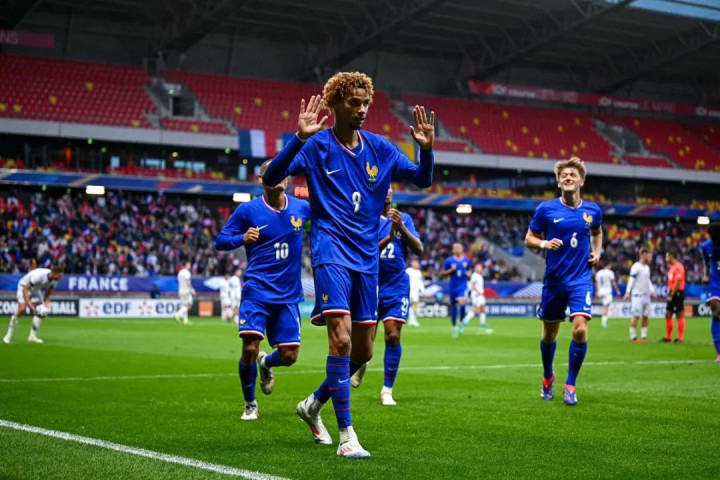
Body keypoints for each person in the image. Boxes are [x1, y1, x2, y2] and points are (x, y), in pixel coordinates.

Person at [262, 72, 434, 458]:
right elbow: (272, 176)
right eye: (354, 103)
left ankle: (312, 405)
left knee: (363, 353)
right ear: (335, 104)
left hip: (366, 258)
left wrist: (426, 150)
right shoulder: (317, 146)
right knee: (340, 340)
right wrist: (298, 138)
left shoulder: (381, 148)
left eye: (365, 103)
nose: (361, 109)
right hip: (331, 251)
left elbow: (423, 179)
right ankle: (347, 436)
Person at [215, 160, 310, 421]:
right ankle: (250, 404)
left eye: (282, 173)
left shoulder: (302, 208)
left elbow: (322, 227)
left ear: (287, 179)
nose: (279, 176)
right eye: (272, 173)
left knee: (289, 356)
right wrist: (241, 238)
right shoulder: (248, 210)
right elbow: (220, 240)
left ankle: (267, 363)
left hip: (288, 295)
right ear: (261, 180)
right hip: (257, 290)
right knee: (249, 348)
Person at [524, 156, 603, 406]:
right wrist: (544, 243)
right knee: (549, 334)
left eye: (573, 175)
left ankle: (570, 384)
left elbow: (597, 232)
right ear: (559, 182)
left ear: (581, 181)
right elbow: (529, 238)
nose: (568, 178)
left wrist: (597, 252)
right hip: (555, 280)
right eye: (564, 175)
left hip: (581, 278)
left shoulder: (593, 211)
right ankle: (548, 376)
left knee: (579, 329)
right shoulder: (546, 209)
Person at [350, 186, 423, 406]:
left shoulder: (403, 218)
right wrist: (390, 237)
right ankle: (362, 362)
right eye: (384, 187)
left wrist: (402, 228)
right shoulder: (366, 219)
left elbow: (419, 249)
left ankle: (387, 390)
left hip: (396, 286)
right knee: (365, 341)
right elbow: (364, 252)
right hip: (370, 284)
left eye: (390, 188)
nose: (388, 191)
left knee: (392, 335)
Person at [3, 264, 64, 344]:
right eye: (60, 275)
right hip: (24, 286)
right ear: (54, 273)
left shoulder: (55, 281)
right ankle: (8, 336)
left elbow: (47, 294)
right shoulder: (40, 276)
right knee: (22, 309)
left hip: (35, 289)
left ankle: (32, 337)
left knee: (40, 310)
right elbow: (26, 289)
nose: (61, 277)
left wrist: (46, 307)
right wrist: (30, 305)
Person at [439, 243, 471, 338]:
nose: (457, 249)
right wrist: (451, 270)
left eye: (459, 248)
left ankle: (461, 322)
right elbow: (442, 273)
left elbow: (469, 270)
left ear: (462, 249)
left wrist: (469, 273)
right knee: (453, 306)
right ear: (453, 250)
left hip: (463, 285)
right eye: (455, 248)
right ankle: (454, 327)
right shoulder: (449, 261)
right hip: (453, 285)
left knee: (462, 303)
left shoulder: (467, 260)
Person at [623, 247, 655, 343]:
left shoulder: (647, 268)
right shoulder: (636, 267)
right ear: (643, 255)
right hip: (637, 296)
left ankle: (644, 337)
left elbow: (648, 281)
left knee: (646, 316)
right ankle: (633, 337)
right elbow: (631, 280)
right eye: (649, 255)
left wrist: (652, 291)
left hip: (646, 296)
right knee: (636, 316)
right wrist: (628, 292)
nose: (651, 258)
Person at [700, 222, 720, 362]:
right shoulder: (706, 246)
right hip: (715, 283)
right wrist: (706, 275)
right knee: (717, 313)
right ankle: (719, 352)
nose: (713, 240)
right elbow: (706, 263)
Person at [663, 249, 686, 343]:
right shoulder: (672, 267)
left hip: (677, 293)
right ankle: (668, 336)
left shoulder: (679, 267)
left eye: (667, 256)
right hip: (672, 292)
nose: (666, 258)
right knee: (668, 314)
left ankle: (680, 338)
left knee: (679, 314)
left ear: (672, 257)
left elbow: (678, 281)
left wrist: (672, 294)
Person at [463, 263, 492, 333]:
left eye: (480, 267)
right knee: (477, 308)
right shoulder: (474, 275)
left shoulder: (480, 276)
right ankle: (466, 319)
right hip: (476, 294)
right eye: (478, 267)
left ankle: (483, 322)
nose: (479, 268)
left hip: (480, 294)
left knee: (483, 307)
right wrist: (479, 292)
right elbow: (473, 285)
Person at [595, 263, 620, 329]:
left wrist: (597, 291)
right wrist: (617, 290)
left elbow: (596, 283)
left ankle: (603, 322)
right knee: (606, 308)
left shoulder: (599, 272)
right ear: (608, 265)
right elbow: (613, 282)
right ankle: (604, 324)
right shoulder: (610, 272)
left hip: (600, 292)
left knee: (604, 307)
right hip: (607, 292)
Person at [406, 259, 424, 328]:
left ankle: (412, 320)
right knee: (413, 305)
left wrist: (422, 291)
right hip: (409, 290)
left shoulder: (418, 272)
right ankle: (412, 321)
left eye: (417, 263)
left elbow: (420, 282)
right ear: (412, 264)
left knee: (414, 306)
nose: (417, 265)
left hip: (416, 291)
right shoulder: (408, 271)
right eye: (415, 263)